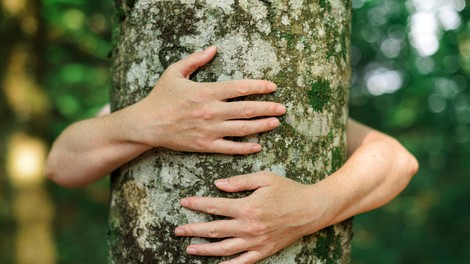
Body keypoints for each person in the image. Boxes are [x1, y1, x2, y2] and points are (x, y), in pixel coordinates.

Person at [46, 46, 419, 263]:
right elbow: (60, 164)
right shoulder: (139, 98)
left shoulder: (289, 103)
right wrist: (148, 120)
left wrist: (311, 207)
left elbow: (397, 161)